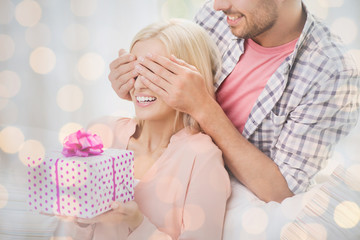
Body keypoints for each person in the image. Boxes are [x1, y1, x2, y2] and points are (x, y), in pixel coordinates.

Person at [108, 0, 360, 203]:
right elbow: (176, 105)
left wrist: (204, 107)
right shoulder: (220, 15)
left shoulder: (334, 72)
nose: (217, 5)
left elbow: (282, 192)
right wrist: (139, 85)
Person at [74, 18, 230, 240]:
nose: (139, 85)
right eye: (135, 71)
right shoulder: (101, 133)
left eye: (154, 73)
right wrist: (79, 215)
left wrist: (137, 222)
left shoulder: (202, 158)